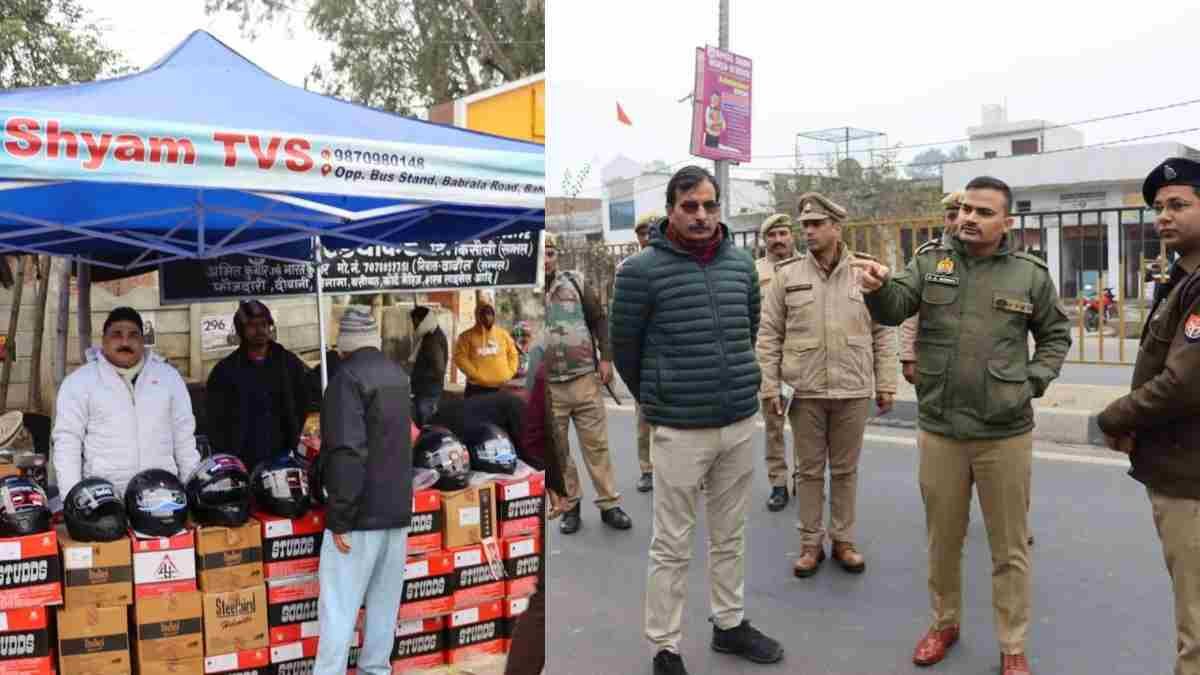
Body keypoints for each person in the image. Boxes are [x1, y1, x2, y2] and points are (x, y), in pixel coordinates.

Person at [853, 176, 1071, 675]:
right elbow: (895, 306)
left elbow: (1056, 335)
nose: (970, 218)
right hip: (941, 428)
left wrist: (1032, 381)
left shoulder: (1029, 274)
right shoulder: (931, 262)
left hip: (1004, 431)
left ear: (1007, 222)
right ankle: (944, 624)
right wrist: (878, 287)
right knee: (943, 540)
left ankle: (1012, 644)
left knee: (1009, 548)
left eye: (984, 212)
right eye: (967, 209)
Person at [612, 165, 783, 675]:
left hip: (738, 422)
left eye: (710, 205)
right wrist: (661, 399)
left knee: (730, 534)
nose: (702, 215)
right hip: (679, 430)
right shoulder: (640, 272)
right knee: (672, 543)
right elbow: (626, 351)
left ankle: (729, 624)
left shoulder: (740, 266)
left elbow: (748, 329)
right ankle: (664, 647)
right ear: (671, 211)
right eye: (690, 206)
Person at [758, 193, 898, 578]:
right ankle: (810, 544)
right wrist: (769, 386)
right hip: (804, 391)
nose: (808, 231)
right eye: (805, 225)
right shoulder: (787, 275)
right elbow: (769, 334)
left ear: (837, 228)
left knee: (846, 470)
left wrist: (886, 382)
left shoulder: (864, 272)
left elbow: (884, 330)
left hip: (852, 388)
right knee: (808, 471)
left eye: (817, 224)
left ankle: (843, 541)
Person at [1097, 157, 1200, 675]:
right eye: (1159, 207)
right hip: (1180, 467)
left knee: (1196, 627)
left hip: (1191, 477)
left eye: (1179, 204)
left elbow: (1183, 382)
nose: (1164, 215)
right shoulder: (1182, 279)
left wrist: (1113, 417)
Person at [314, 306, 412, 675]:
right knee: (384, 609)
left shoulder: (346, 380)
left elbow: (347, 452)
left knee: (339, 609)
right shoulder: (397, 375)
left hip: (358, 516)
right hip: (396, 513)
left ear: (343, 345)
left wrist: (340, 517)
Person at [53, 307, 201, 498]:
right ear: (103, 340)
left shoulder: (168, 378)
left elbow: (184, 438)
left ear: (142, 341)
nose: (125, 342)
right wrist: (71, 499)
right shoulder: (80, 382)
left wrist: (193, 492)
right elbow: (67, 443)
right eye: (117, 334)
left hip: (162, 494)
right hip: (106, 499)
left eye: (133, 335)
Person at [543, 231, 631, 534]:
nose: (546, 260)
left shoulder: (575, 283)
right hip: (548, 388)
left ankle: (609, 504)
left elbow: (599, 320)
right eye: (541, 254)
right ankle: (571, 507)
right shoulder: (524, 291)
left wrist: (606, 359)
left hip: (583, 380)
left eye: (551, 253)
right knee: (559, 452)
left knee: (597, 446)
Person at [205, 300, 310, 468]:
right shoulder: (226, 371)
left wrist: (294, 436)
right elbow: (214, 418)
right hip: (242, 458)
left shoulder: (288, 363)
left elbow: (304, 402)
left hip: (283, 455)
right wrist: (228, 452)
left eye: (264, 324)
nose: (260, 330)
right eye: (252, 325)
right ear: (241, 330)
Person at [754, 212, 799, 512]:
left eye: (783, 233)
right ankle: (778, 483)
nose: (778, 240)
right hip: (770, 361)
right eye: (772, 235)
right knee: (774, 426)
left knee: (808, 428)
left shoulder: (808, 266)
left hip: (803, 360)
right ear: (765, 240)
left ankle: (805, 479)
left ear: (792, 236)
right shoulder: (754, 271)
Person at [900, 191, 963, 385]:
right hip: (935, 361)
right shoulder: (927, 256)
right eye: (951, 217)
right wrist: (908, 356)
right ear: (944, 221)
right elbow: (911, 310)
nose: (956, 223)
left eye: (961, 216)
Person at [623, 212, 659, 492]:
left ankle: (682, 469)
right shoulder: (628, 269)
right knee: (644, 420)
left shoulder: (679, 264)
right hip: (645, 357)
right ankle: (647, 469)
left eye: (652, 231)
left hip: (675, 354)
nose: (647, 237)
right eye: (642, 233)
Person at [453, 298, 518, 397]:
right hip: (476, 389)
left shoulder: (503, 334)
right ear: (478, 315)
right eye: (484, 313)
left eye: (490, 313)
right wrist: (476, 375)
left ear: (494, 315)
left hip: (501, 388)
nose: (487, 317)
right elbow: (460, 358)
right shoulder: (466, 337)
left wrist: (509, 373)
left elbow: (513, 354)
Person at [407, 305, 448, 426]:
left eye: (415, 322)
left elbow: (439, 368)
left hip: (428, 392)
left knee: (427, 425)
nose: (414, 326)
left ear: (421, 320)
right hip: (427, 390)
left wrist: (422, 379)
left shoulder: (432, 339)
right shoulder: (431, 334)